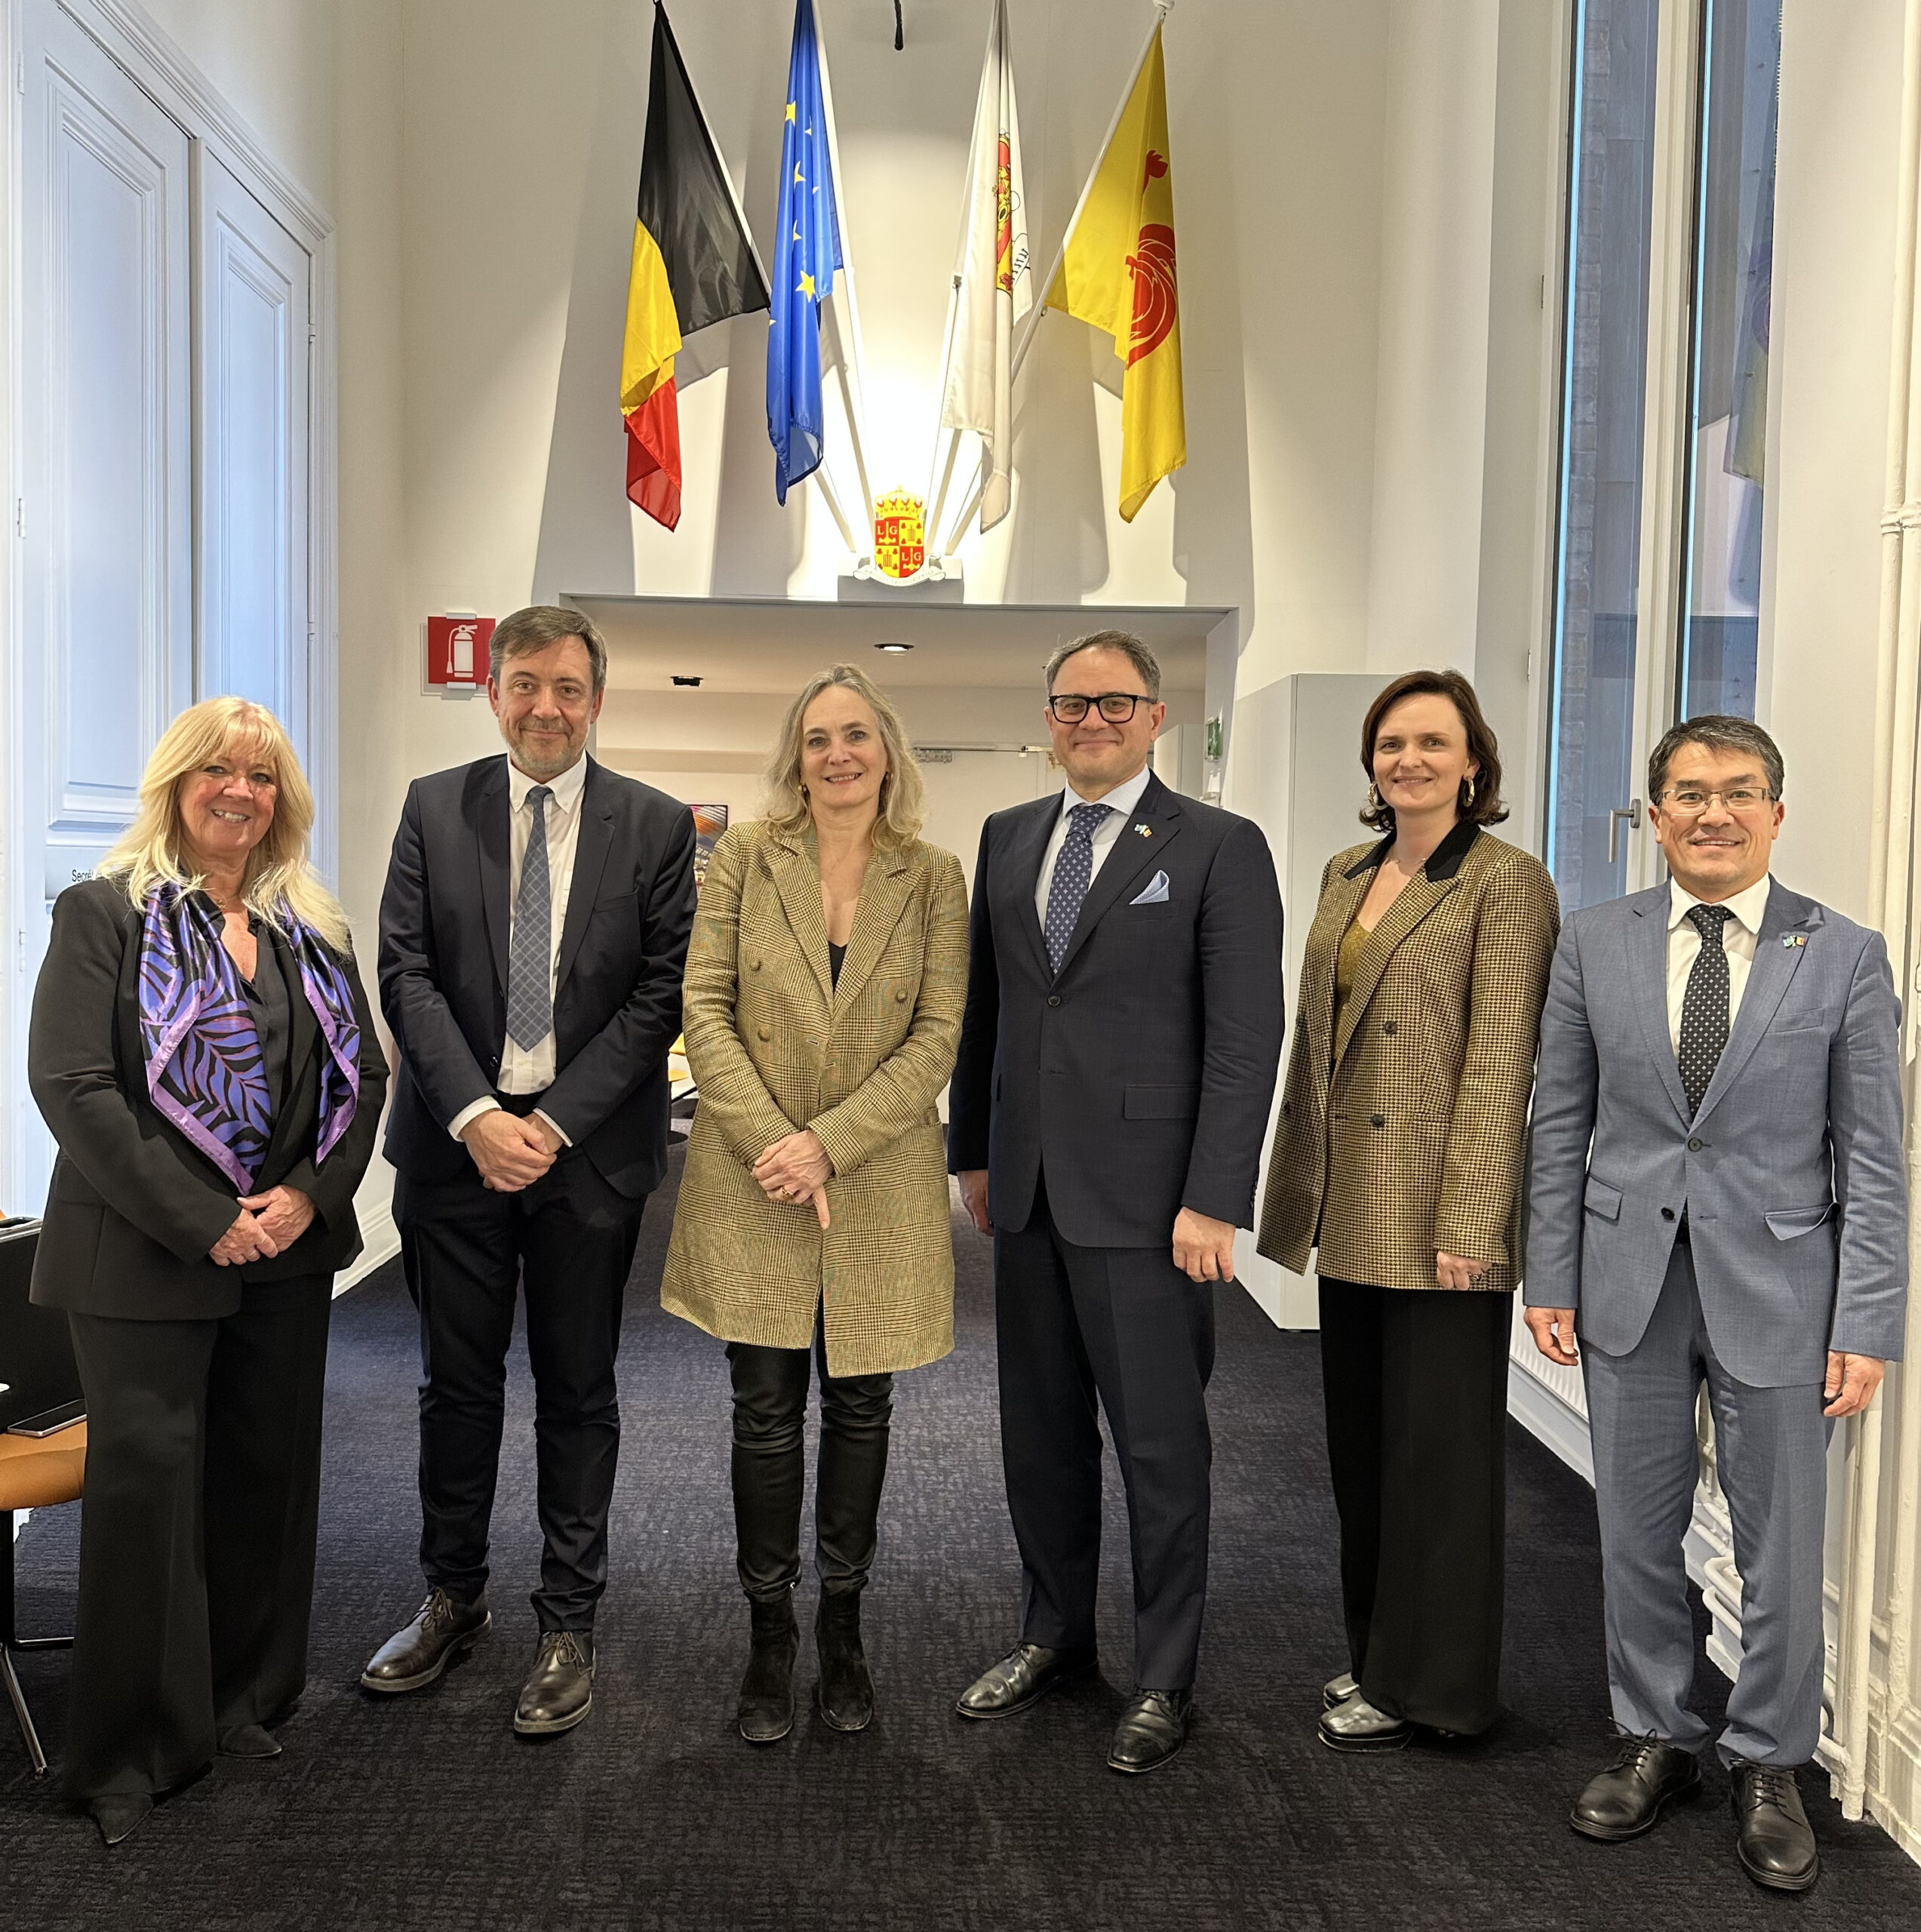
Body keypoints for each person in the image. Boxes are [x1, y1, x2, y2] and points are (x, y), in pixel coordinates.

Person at [1526, 715, 1906, 1894]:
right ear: (1654, 817)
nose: (1712, 814)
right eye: (1687, 794)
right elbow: (1558, 1122)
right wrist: (1550, 1274)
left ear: (1775, 815)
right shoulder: (1593, 942)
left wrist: (1865, 1321)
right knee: (1634, 1532)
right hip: (1626, 1283)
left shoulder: (1841, 954)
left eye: (1738, 792)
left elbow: (1874, 1161)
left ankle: (1768, 1760)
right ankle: (1653, 1735)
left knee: (1777, 1544)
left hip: (1784, 1292)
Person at [28, 697, 388, 1847]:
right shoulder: (105, 912)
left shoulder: (309, 928)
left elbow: (363, 1079)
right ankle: (126, 1757)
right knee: (148, 1494)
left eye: (264, 776)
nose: (241, 791)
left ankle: (240, 1701)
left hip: (283, 1250)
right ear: (175, 785)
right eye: (218, 772)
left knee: (262, 1482)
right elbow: (72, 1084)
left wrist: (309, 1197)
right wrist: (203, 1219)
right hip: (142, 1254)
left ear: (285, 800)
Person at [948, 629, 1284, 1775]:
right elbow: (992, 1010)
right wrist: (974, 1152)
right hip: (1027, 1193)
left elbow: (1244, 1039)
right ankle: (1053, 1637)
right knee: (1039, 1438)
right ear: (1048, 718)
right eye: (1071, 704)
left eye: (1114, 703)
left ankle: (1164, 1674)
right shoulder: (1007, 836)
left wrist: (1214, 1198)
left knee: (1158, 1448)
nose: (1090, 721)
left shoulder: (1218, 846)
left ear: (1153, 717)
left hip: (1151, 1206)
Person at [362, 605, 696, 1737]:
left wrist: (549, 1126)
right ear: (492, 691)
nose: (545, 708)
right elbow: (404, 971)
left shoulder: (653, 824)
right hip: (453, 1149)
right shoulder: (433, 807)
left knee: (577, 1389)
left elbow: (660, 995)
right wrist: (473, 1114)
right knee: (453, 1387)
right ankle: (452, 1596)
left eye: (567, 687)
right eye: (524, 685)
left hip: (586, 1156)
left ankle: (568, 1620)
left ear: (595, 698)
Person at [662, 664, 967, 1743]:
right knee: (762, 1409)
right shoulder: (747, 857)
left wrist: (829, 1146)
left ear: (888, 752)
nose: (838, 754)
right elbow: (704, 1006)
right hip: (754, 1177)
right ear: (796, 758)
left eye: (856, 735)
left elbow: (937, 1033)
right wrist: (779, 1144)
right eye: (818, 738)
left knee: (861, 1404)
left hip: (876, 1178)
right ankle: (769, 1632)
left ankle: (843, 1625)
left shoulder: (932, 876)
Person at [1258, 669, 1559, 1752]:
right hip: (1350, 1198)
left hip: (1439, 1212)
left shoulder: (1506, 882)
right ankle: (1379, 1655)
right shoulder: (1348, 870)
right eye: (1391, 743)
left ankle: (1436, 1689)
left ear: (1473, 762)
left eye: (1433, 743)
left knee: (1440, 1463)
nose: (1409, 761)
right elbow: (1318, 1040)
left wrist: (1472, 1226)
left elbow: (1501, 1066)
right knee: (1365, 1451)